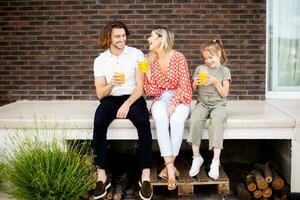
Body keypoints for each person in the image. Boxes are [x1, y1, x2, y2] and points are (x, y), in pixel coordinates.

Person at [92, 20, 153, 200]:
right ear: (108, 38)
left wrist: (127, 104)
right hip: (111, 97)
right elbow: (100, 93)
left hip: (133, 96)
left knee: (143, 122)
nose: (122, 39)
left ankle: (145, 175)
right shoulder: (100, 60)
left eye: (123, 35)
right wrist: (111, 84)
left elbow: (141, 86)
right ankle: (102, 174)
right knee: (99, 122)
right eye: (117, 36)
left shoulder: (137, 54)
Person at [143, 27, 192, 190]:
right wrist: (148, 77)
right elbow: (151, 92)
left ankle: (169, 167)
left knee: (177, 120)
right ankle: (171, 169)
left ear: (161, 39)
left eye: (151, 36)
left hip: (181, 97)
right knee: (161, 119)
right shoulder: (149, 59)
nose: (148, 39)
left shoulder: (178, 57)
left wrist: (174, 102)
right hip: (160, 98)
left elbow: (185, 84)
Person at [187, 39, 231, 180]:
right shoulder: (200, 69)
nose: (208, 61)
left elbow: (224, 93)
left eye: (210, 57)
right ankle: (196, 157)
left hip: (219, 104)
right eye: (205, 58)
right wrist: (195, 83)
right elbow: (192, 90)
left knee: (217, 121)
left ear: (219, 54)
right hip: (203, 103)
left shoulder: (224, 71)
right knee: (194, 120)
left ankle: (215, 160)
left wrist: (215, 82)